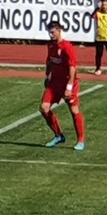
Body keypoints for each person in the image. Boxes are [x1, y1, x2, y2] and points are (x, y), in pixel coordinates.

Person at [41, 20, 86, 150]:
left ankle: (81, 141)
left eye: (53, 32)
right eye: (49, 32)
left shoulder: (67, 47)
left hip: (67, 83)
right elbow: (49, 61)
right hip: (54, 83)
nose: (51, 35)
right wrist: (47, 75)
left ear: (59, 30)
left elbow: (73, 67)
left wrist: (69, 87)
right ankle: (58, 135)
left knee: (74, 110)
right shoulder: (50, 45)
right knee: (44, 108)